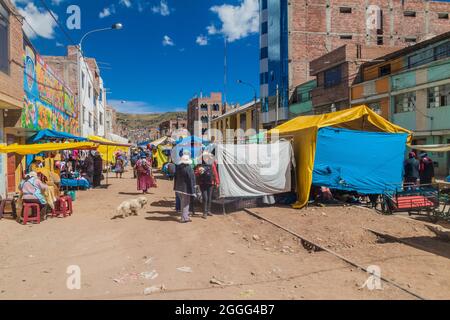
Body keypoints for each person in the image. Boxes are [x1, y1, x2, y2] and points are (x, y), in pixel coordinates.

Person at [194, 152, 220, 219]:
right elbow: (196, 173)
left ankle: (208, 211)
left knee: (209, 197)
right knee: (205, 198)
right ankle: (204, 212)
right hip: (203, 183)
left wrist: (217, 182)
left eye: (207, 156)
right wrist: (199, 172)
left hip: (210, 183)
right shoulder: (200, 164)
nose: (206, 158)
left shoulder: (212, 163)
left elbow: (215, 173)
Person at [174, 155, 196, 223]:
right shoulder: (189, 168)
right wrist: (193, 190)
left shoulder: (178, 167)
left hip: (178, 188)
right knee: (185, 204)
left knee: (183, 203)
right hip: (185, 189)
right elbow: (191, 179)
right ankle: (184, 218)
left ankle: (185, 217)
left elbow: (175, 177)